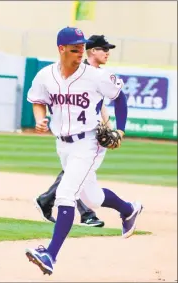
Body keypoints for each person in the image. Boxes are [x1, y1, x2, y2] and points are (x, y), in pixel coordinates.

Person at [25, 27, 143, 276]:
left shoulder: (96, 76)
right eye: (75, 47)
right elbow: (38, 99)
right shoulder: (46, 75)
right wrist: (40, 119)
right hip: (63, 144)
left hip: (89, 142)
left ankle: (50, 255)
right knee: (92, 198)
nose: (80, 51)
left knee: (66, 194)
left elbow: (119, 97)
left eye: (82, 46)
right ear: (61, 49)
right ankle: (128, 209)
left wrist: (120, 130)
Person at [35, 34, 120, 228]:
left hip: (90, 132)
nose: (107, 53)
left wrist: (108, 125)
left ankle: (47, 201)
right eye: (104, 49)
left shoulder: (97, 74)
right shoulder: (79, 72)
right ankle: (85, 213)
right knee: (78, 176)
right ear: (92, 51)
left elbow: (100, 105)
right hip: (74, 133)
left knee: (77, 174)